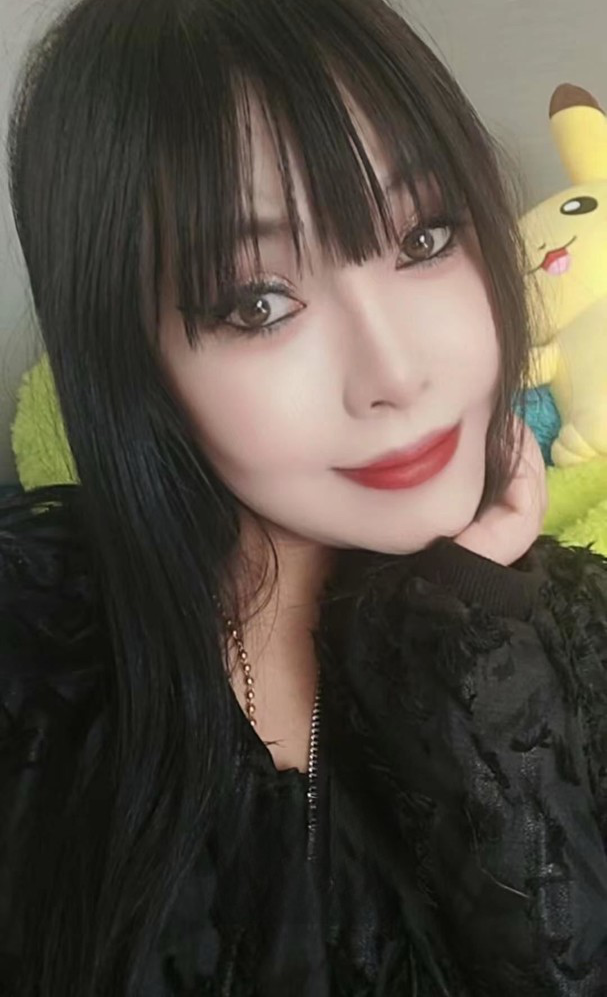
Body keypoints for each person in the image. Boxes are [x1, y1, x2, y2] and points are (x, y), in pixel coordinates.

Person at [1, 0, 606, 993]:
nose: (396, 374)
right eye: (259, 302)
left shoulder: (572, 640)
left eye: (423, 236)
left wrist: (454, 633)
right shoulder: (35, 644)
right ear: (128, 357)